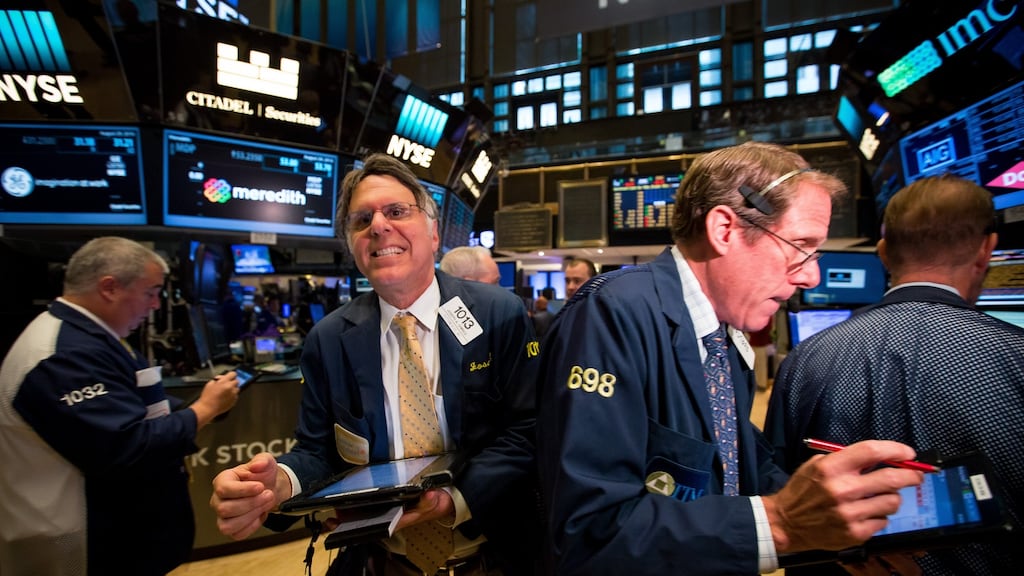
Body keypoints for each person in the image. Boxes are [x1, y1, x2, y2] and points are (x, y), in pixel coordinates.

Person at [536, 141, 924, 576]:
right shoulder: (612, 314)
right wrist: (782, 522)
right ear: (725, 229)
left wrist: (840, 519)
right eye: (800, 245)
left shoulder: (722, 333)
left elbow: (736, 463)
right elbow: (590, 535)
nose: (812, 274)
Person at [210, 153, 541, 575]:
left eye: (397, 211)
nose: (379, 226)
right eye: (361, 219)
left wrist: (453, 500)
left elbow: (528, 430)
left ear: (434, 233)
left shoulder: (499, 314)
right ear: (352, 245)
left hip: (492, 556)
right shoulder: (329, 340)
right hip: (383, 560)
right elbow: (317, 451)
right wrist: (278, 484)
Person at [766, 174, 1024, 574]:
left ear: (883, 253)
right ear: (986, 249)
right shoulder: (1016, 355)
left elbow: (779, 501)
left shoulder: (806, 360)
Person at [0, 236, 240, 576]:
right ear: (110, 287)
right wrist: (203, 410)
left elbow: (133, 403)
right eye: (151, 291)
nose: (156, 304)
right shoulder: (61, 354)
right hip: (77, 542)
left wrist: (200, 404)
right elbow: (125, 445)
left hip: (117, 535)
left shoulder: (96, 338)